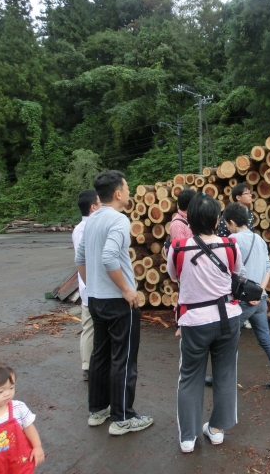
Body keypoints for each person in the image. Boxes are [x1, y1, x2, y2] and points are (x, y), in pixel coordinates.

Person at [75, 170, 154, 435]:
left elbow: (80, 258)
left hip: (96, 299)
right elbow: (109, 257)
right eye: (127, 188)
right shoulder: (119, 220)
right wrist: (125, 290)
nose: (129, 192)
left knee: (101, 354)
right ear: (118, 193)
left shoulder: (91, 220)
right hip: (119, 302)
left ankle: (98, 411)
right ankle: (123, 418)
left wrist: (93, 285)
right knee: (124, 358)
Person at [166, 194, 242, 454]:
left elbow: (175, 275)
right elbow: (236, 273)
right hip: (228, 319)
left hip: (194, 321)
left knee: (189, 377)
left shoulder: (177, 248)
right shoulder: (230, 245)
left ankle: (188, 437)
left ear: (191, 219)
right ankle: (217, 430)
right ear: (217, 219)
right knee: (225, 373)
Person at [223, 203, 270, 392]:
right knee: (266, 338)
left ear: (232, 222)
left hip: (243, 300)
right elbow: (268, 266)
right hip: (261, 298)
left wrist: (250, 293)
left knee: (228, 338)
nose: (227, 227)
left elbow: (236, 270)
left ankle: (222, 377)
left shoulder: (232, 239)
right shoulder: (258, 238)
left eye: (227, 224)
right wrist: (260, 290)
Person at [0, 362, 44, 472]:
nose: (7, 393)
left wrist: (37, 446)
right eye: (0, 391)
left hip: (21, 463)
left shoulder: (18, 407)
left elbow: (29, 427)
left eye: (11, 388)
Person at [216, 184, 254, 329]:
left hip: (246, 252)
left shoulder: (249, 213)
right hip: (231, 252)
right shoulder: (228, 213)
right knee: (234, 282)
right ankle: (237, 315)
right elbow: (222, 235)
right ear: (238, 197)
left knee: (245, 281)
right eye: (246, 193)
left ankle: (245, 314)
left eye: (250, 193)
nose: (250, 195)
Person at [72, 190, 101, 382]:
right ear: (93, 207)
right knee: (95, 326)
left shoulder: (77, 228)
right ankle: (93, 366)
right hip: (95, 285)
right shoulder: (93, 228)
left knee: (88, 326)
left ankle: (87, 365)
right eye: (99, 203)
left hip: (86, 285)